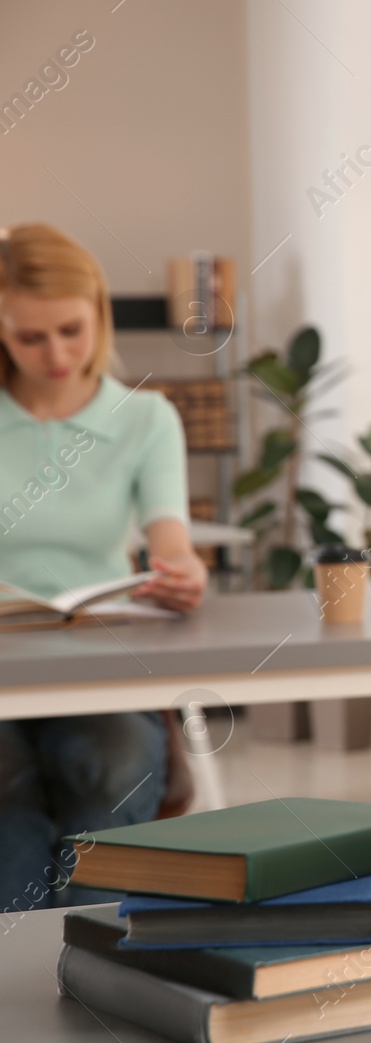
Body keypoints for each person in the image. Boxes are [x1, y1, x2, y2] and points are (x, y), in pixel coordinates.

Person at [0, 223, 209, 911]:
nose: (56, 353)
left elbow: (169, 543)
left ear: (98, 312)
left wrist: (182, 575)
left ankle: (84, 956)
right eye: (30, 337)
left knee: (113, 762)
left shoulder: (145, 419)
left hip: (100, 667)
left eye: (71, 329)